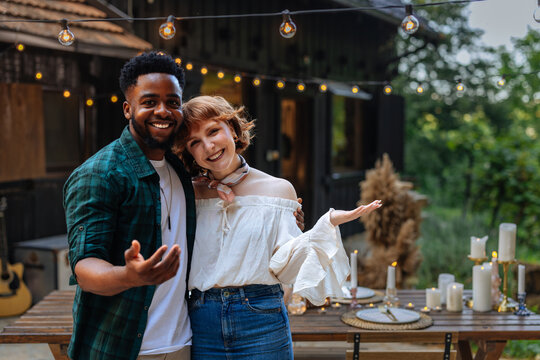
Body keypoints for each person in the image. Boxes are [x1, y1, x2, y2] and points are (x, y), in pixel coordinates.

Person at [174, 95, 382, 359]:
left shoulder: (278, 189)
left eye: (213, 131)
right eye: (195, 142)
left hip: (261, 319)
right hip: (202, 319)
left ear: (234, 130)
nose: (208, 145)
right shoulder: (186, 195)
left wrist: (325, 225)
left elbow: (287, 265)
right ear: (190, 152)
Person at [63, 52, 195, 360]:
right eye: (149, 102)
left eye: (172, 102)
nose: (163, 111)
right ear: (128, 108)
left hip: (182, 344)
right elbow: (84, 267)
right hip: (122, 348)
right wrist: (131, 277)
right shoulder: (100, 173)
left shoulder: (180, 169)